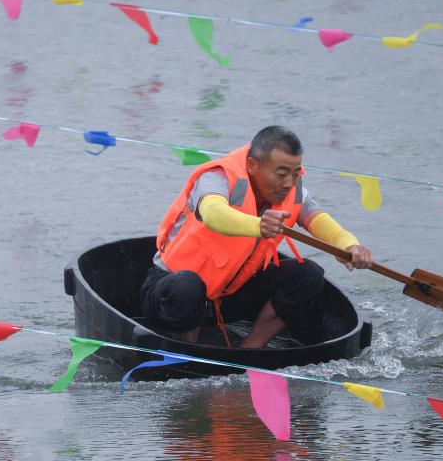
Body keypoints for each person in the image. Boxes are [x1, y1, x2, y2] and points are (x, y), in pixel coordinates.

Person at [141, 125, 373, 348]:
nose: (289, 183)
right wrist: (258, 225)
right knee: (187, 286)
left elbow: (322, 223)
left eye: (295, 173)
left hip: (229, 294)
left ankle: (250, 350)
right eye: (281, 173)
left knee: (308, 274)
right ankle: (188, 349)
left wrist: (350, 246)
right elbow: (213, 214)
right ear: (252, 165)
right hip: (171, 293)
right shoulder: (218, 177)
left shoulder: (294, 189)